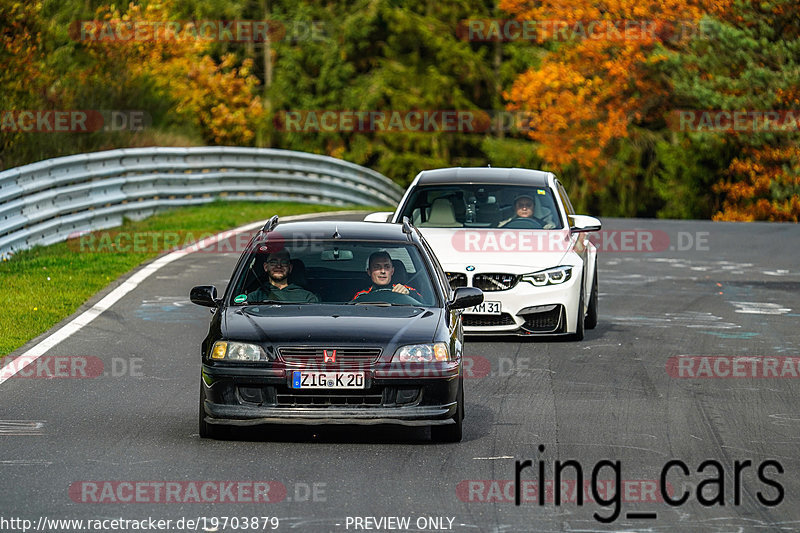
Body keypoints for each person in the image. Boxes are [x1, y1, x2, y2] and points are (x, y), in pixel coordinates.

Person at [247, 249, 319, 303]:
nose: (278, 266)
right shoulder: (255, 297)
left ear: (290, 268)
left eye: (284, 262)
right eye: (273, 262)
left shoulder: (307, 297)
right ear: (265, 267)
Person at [352, 251, 422, 300]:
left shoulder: (405, 290)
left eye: (387, 267)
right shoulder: (362, 296)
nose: (383, 271)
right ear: (369, 272)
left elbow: (424, 304)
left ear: (392, 271)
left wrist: (408, 294)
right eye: (377, 267)